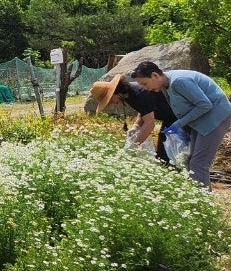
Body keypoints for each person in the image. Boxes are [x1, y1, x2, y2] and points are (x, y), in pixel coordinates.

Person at [131, 61, 231, 189]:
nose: (146, 88)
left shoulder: (179, 81)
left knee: (198, 163)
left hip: (216, 117)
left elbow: (204, 105)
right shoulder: (165, 85)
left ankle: (202, 199)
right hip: (201, 119)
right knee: (190, 160)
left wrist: (178, 124)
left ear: (155, 75)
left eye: (145, 83)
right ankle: (196, 194)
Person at [89, 74, 177, 162]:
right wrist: (136, 126)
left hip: (177, 116)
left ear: (115, 92)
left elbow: (150, 124)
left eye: (110, 100)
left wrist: (134, 146)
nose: (112, 103)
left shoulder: (138, 92)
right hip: (168, 117)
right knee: (163, 154)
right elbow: (144, 110)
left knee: (170, 152)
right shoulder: (127, 94)